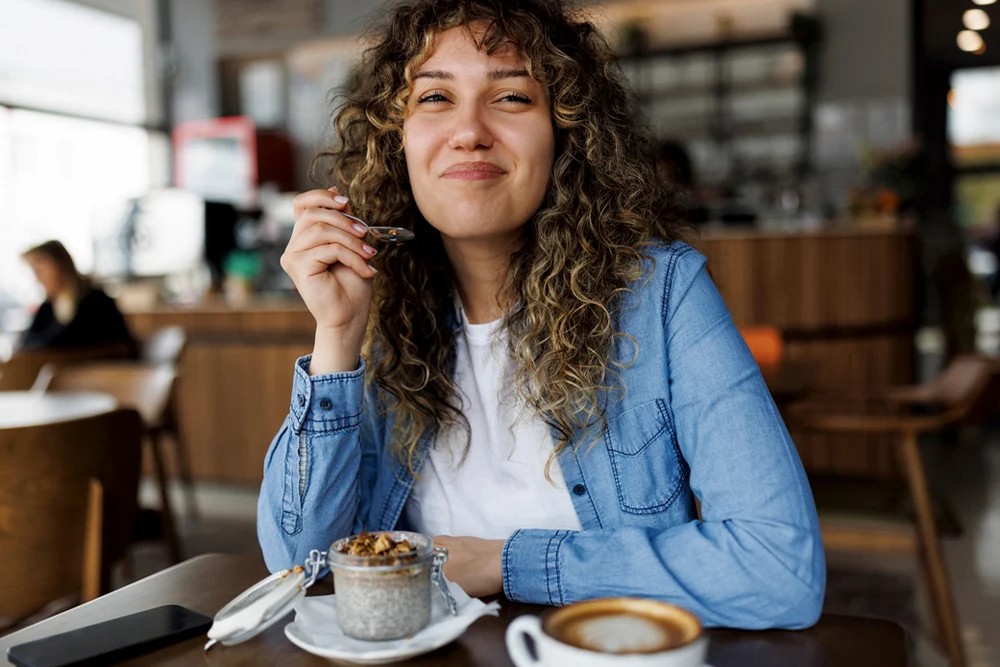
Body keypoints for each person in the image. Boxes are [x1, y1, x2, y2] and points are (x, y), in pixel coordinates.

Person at [259, 0, 824, 629]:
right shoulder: (384, 314)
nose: (469, 131)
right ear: (398, 141)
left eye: (511, 97)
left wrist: (505, 562)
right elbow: (301, 569)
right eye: (436, 98)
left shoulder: (662, 295)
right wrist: (337, 338)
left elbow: (779, 569)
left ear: (566, 132)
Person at [19, 240, 136, 355]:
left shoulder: (96, 302)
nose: (38, 279)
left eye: (39, 271)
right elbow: (26, 344)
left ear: (59, 265)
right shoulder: (47, 308)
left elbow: (119, 348)